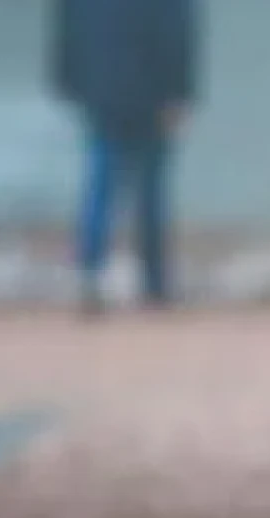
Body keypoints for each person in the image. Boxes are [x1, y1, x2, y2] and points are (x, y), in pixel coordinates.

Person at [50, 0, 199, 318]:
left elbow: (68, 27)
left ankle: (91, 273)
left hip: (103, 88)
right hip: (152, 91)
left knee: (101, 183)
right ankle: (153, 283)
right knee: (149, 191)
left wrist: (70, 83)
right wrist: (180, 91)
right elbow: (178, 31)